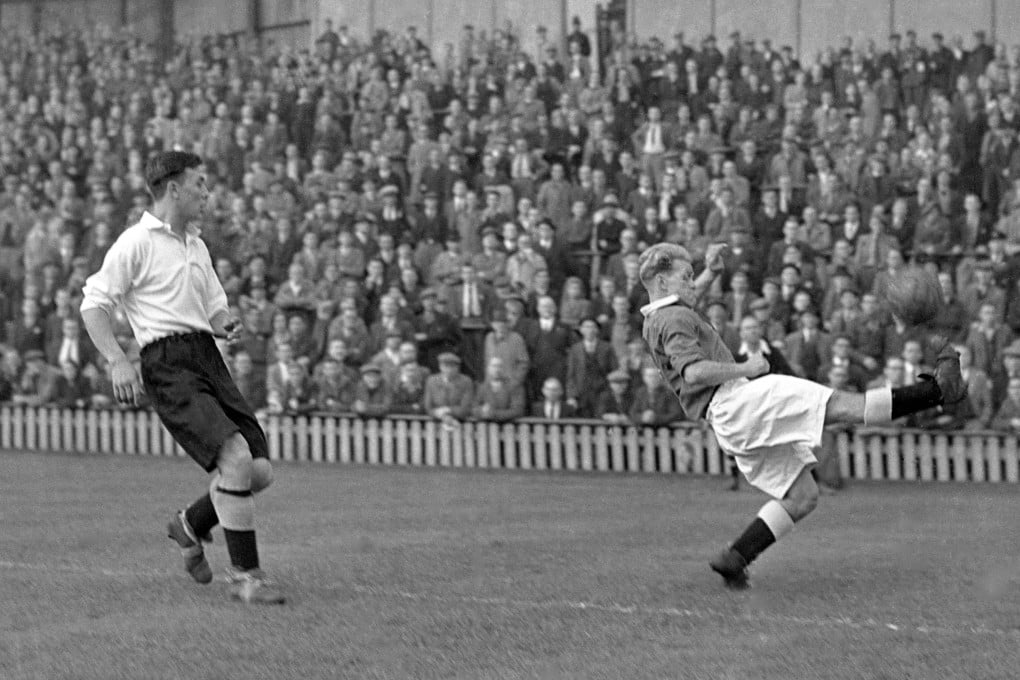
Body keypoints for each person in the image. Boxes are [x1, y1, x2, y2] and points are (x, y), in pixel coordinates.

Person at [639, 242, 965, 589]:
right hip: (739, 401)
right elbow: (693, 372)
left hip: (728, 421)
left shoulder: (659, 315)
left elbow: (684, 304)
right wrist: (746, 366)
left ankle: (735, 558)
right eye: (686, 276)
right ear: (662, 282)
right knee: (841, 405)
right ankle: (938, 391)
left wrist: (712, 273)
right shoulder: (674, 318)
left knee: (803, 496)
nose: (693, 283)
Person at [79, 151, 284, 604]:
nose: (207, 194)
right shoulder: (135, 242)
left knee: (260, 471)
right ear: (174, 189)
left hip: (205, 356)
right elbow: (94, 304)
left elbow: (214, 305)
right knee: (234, 457)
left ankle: (189, 524)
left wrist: (223, 321)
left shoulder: (196, 244)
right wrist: (117, 359)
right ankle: (246, 578)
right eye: (201, 184)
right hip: (167, 363)